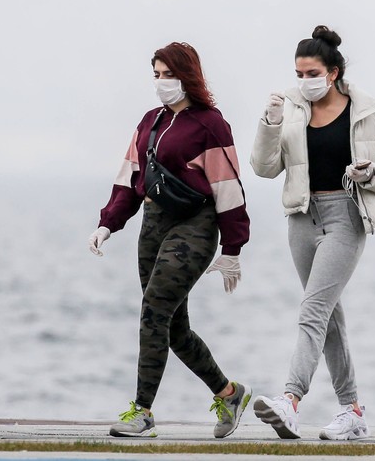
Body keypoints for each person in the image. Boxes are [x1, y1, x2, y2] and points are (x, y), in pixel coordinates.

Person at [249, 25, 375, 440]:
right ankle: (352, 411)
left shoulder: (368, 111)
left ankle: (290, 399)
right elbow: (264, 168)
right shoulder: (292, 109)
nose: (304, 82)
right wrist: (270, 122)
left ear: (333, 72)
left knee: (313, 310)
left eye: (312, 73)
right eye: (299, 74)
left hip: (345, 216)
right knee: (328, 317)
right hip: (302, 217)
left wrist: (372, 172)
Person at [88, 41, 252, 439]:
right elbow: (129, 177)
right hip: (153, 223)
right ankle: (229, 394)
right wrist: (109, 222)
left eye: (169, 75)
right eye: (157, 75)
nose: (162, 83)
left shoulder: (211, 123)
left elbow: (228, 187)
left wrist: (232, 248)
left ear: (188, 76)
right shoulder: (150, 121)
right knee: (172, 327)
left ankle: (142, 412)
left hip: (195, 224)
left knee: (153, 313)